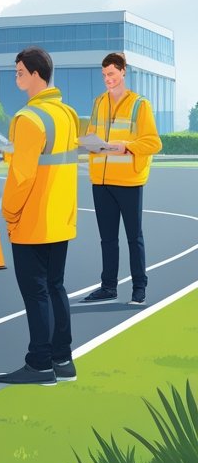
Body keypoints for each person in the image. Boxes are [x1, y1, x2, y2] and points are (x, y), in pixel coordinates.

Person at [0, 46, 80, 385]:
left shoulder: (27, 118)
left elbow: (23, 176)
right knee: (55, 287)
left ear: (35, 74)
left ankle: (39, 363)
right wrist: (7, 150)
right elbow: (46, 162)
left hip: (32, 219)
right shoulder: (67, 114)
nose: (17, 77)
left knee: (35, 291)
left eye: (19, 72)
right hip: (60, 217)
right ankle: (62, 360)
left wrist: (9, 212)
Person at [81, 52, 161, 306]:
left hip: (128, 181)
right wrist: (88, 143)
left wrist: (125, 146)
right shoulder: (98, 102)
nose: (108, 79)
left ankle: (139, 288)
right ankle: (108, 287)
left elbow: (153, 142)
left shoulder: (140, 105)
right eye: (104, 75)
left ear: (123, 71)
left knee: (133, 237)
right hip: (101, 181)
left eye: (112, 74)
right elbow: (93, 133)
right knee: (107, 239)